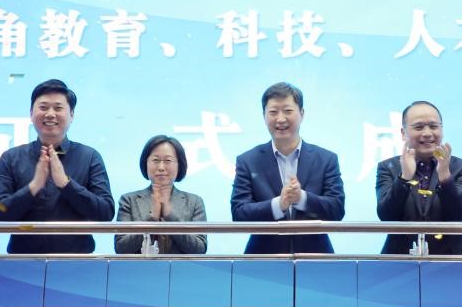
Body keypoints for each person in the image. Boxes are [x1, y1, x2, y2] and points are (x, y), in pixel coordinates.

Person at [0, 79, 114, 254]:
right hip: (23, 262)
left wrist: (66, 184)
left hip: (77, 262)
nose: (50, 114)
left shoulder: (89, 157)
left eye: (58, 108)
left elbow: (105, 213)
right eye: (43, 107)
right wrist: (33, 187)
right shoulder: (11, 158)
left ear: (71, 115)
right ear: (31, 113)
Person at [231, 81, 345, 254]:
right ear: (264, 116)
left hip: (315, 257)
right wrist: (279, 204)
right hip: (263, 259)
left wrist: (301, 198)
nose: (280, 119)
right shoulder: (248, 160)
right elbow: (239, 214)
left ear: (302, 114)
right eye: (273, 112)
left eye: (288, 111)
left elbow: (337, 210)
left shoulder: (326, 159)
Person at [376, 100, 462, 255]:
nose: (427, 133)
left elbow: (457, 216)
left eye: (434, 126)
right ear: (403, 133)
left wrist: (445, 176)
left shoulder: (461, 167)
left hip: (450, 260)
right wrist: (404, 178)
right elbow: (386, 217)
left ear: (441, 130)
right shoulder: (388, 167)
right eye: (419, 127)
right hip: (399, 259)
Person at [114, 135, 208, 255]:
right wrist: (151, 219)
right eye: (155, 160)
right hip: (140, 267)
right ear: (145, 163)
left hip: (180, 267)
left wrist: (171, 217)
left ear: (179, 165)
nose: (161, 167)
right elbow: (121, 248)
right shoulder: (129, 200)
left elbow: (200, 249)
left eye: (168, 161)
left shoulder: (194, 202)